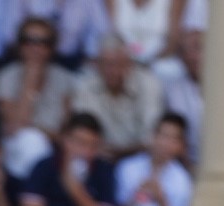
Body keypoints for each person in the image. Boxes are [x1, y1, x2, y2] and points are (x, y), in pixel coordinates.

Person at [0, 15, 79, 180]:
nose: (35, 48)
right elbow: (14, 129)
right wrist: (29, 84)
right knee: (30, 141)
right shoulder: (6, 77)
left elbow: (66, 132)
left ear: (51, 48)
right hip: (15, 148)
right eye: (28, 41)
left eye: (43, 42)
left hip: (54, 148)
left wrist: (42, 132)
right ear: (19, 45)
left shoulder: (64, 79)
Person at [71, 32, 164, 162]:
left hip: (139, 157)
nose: (113, 71)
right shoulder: (85, 87)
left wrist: (119, 154)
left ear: (129, 64)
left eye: (118, 64)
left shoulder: (148, 84)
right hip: (97, 157)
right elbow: (84, 132)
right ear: (97, 65)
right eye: (107, 64)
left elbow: (151, 137)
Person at [163, 25, 203, 167]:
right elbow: (176, 135)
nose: (192, 56)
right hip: (185, 163)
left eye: (198, 48)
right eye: (186, 51)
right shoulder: (173, 90)